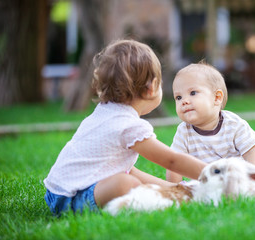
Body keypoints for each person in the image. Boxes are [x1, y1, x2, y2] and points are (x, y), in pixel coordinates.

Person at [43, 39, 206, 216]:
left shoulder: (104, 113)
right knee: (127, 184)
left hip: (57, 194)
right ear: (152, 88)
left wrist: (174, 188)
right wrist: (213, 173)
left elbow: (128, 169)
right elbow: (171, 160)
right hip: (74, 198)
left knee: (128, 177)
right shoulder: (128, 125)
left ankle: (168, 194)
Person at [166, 62, 255, 183]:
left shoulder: (233, 124)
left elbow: (252, 153)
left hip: (240, 178)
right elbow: (174, 162)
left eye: (193, 93)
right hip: (208, 183)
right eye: (178, 97)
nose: (184, 101)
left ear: (217, 98)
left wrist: (251, 179)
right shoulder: (184, 131)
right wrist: (176, 188)